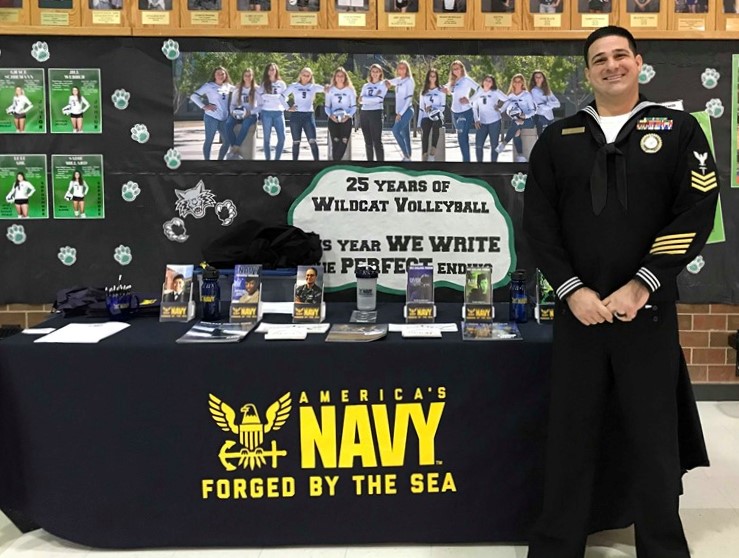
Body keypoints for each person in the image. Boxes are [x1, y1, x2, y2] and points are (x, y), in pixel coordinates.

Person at [523, 25, 718, 558]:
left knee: (654, 439)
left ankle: (661, 546)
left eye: (619, 56)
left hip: (647, 313)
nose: (610, 65)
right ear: (587, 73)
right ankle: (557, 545)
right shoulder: (558, 138)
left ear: (638, 62)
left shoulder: (677, 129)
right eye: (598, 59)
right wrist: (572, 292)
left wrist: (642, 284)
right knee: (571, 436)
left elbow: (697, 210)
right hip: (578, 314)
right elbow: (539, 224)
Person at [190, 67, 233, 160]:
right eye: (218, 74)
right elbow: (193, 96)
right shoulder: (208, 86)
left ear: (225, 75)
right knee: (209, 141)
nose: (220, 76)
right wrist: (203, 106)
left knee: (227, 142)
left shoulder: (228, 86)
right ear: (214, 75)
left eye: (223, 74)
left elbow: (241, 89)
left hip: (224, 118)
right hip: (211, 117)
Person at [442, 60, 479, 163]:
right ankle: (466, 162)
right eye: (454, 69)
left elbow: (480, 89)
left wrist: (469, 100)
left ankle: (466, 164)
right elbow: (444, 88)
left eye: (457, 68)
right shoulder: (453, 82)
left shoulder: (466, 80)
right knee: (461, 138)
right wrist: (444, 89)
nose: (456, 71)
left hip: (465, 112)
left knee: (462, 137)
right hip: (455, 113)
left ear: (462, 68)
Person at [285, 67, 324, 161]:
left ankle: (317, 164)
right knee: (296, 142)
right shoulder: (294, 86)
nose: (306, 77)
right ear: (300, 75)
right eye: (304, 75)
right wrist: (288, 108)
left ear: (310, 76)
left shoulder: (313, 87)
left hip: (308, 116)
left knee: (312, 141)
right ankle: (295, 165)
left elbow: (328, 90)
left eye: (308, 75)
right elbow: (282, 96)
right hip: (296, 115)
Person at [496, 73, 536, 162]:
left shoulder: (527, 95)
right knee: (516, 132)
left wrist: (525, 115)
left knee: (517, 123)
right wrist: (496, 109)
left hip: (528, 121)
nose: (517, 83)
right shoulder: (510, 96)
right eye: (515, 81)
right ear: (513, 83)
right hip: (516, 120)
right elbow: (503, 109)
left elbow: (533, 111)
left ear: (522, 83)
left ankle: (504, 143)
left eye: (519, 81)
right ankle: (521, 156)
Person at [224, 69, 260, 161]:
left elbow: (261, 106)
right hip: (238, 114)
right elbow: (232, 104)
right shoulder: (238, 88)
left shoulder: (257, 89)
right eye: (245, 75)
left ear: (252, 77)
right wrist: (233, 112)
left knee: (246, 124)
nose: (247, 77)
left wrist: (250, 112)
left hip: (251, 114)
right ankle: (234, 148)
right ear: (243, 77)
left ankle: (234, 150)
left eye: (249, 75)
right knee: (228, 124)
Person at [471, 74, 508, 163]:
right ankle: (480, 165)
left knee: (494, 145)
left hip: (494, 122)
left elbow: (507, 100)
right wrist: (476, 119)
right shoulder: (478, 92)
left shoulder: (495, 92)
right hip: (482, 122)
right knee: (478, 145)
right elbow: (474, 107)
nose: (487, 82)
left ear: (492, 83)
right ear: (483, 81)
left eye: (490, 81)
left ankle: (493, 165)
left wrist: (500, 109)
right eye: (486, 80)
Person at [257, 62, 288, 161]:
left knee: (282, 138)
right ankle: (268, 160)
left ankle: (277, 159)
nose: (272, 71)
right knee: (266, 139)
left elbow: (285, 98)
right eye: (270, 69)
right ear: (267, 71)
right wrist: (277, 97)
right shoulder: (264, 84)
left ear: (276, 70)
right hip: (266, 112)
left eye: (273, 69)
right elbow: (263, 97)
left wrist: (273, 98)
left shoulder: (281, 83)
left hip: (279, 112)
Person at [385, 60, 415, 162]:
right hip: (400, 112)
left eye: (403, 68)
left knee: (395, 131)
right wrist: (387, 82)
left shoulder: (409, 81)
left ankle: (406, 155)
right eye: (399, 67)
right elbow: (389, 82)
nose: (401, 69)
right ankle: (409, 157)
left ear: (407, 69)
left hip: (407, 111)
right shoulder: (398, 80)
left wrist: (400, 114)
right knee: (406, 135)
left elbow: (408, 99)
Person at [324, 67, 357, 162]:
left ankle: (335, 163)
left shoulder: (349, 90)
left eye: (342, 76)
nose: (340, 78)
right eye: (338, 76)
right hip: (333, 119)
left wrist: (348, 116)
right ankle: (335, 164)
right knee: (335, 141)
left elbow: (354, 106)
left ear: (345, 77)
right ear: (334, 77)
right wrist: (330, 115)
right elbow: (327, 106)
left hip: (346, 119)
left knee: (344, 141)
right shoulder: (330, 90)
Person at [358, 64, 388, 162]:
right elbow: (360, 100)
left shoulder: (383, 85)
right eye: (373, 71)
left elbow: (379, 99)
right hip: (364, 113)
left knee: (377, 141)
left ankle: (380, 165)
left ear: (380, 73)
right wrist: (372, 98)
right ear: (370, 73)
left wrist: (366, 99)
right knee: (368, 142)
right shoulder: (365, 86)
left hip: (376, 113)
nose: (375, 73)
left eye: (377, 71)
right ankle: (369, 164)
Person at [417, 68, 446, 162]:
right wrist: (418, 124)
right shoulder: (423, 92)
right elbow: (421, 109)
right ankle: (424, 155)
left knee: (436, 124)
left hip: (437, 116)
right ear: (428, 77)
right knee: (425, 129)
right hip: (426, 116)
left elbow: (443, 107)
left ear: (436, 77)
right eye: (430, 76)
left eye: (434, 76)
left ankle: (432, 153)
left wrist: (433, 109)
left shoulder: (441, 90)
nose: (432, 78)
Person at [529, 70, 560, 137]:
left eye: (540, 77)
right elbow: (541, 106)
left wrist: (548, 104)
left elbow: (558, 104)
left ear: (543, 78)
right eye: (536, 77)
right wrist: (551, 104)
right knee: (542, 139)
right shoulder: (534, 91)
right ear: (534, 79)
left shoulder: (548, 90)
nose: (538, 79)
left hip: (550, 118)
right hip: (540, 117)